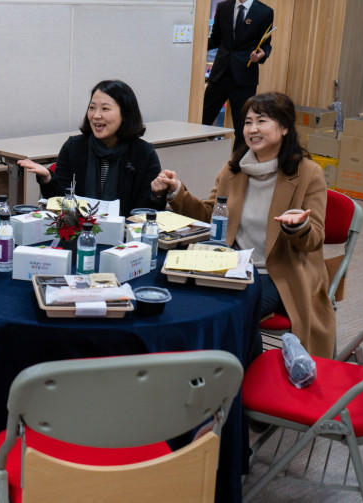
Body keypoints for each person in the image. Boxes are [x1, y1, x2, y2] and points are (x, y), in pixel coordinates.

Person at [152, 92, 335, 358]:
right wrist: (177, 191)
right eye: (248, 122)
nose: (252, 129)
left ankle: (236, 368)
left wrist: (298, 226)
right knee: (184, 296)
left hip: (278, 272)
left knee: (227, 309)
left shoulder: (308, 173)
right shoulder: (234, 169)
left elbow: (315, 238)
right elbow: (210, 216)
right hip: (232, 264)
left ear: (285, 127)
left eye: (262, 121)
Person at [20, 80, 166, 217]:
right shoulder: (74, 147)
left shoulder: (143, 153)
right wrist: (47, 179)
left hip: (125, 232)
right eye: (92, 108)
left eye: (105, 109)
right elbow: (61, 202)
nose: (96, 115)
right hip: (79, 229)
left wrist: (157, 194)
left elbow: (146, 214)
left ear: (125, 114)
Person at [202, 0, 274, 151]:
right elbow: (215, 39)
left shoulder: (264, 12)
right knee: (202, 120)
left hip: (244, 77)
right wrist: (193, 45)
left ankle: (237, 163)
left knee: (243, 129)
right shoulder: (223, 7)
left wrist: (261, 55)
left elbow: (265, 45)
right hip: (220, 74)